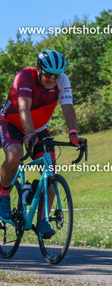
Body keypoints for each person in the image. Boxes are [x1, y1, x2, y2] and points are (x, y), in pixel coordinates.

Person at [0, 49, 86, 238]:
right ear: (39, 69)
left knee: (50, 172)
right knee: (14, 156)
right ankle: (3, 194)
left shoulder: (62, 81)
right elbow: (24, 108)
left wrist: (73, 134)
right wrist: (29, 134)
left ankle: (43, 220)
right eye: (48, 75)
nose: (53, 79)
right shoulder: (25, 76)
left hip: (38, 128)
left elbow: (68, 107)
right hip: (11, 122)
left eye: (56, 75)